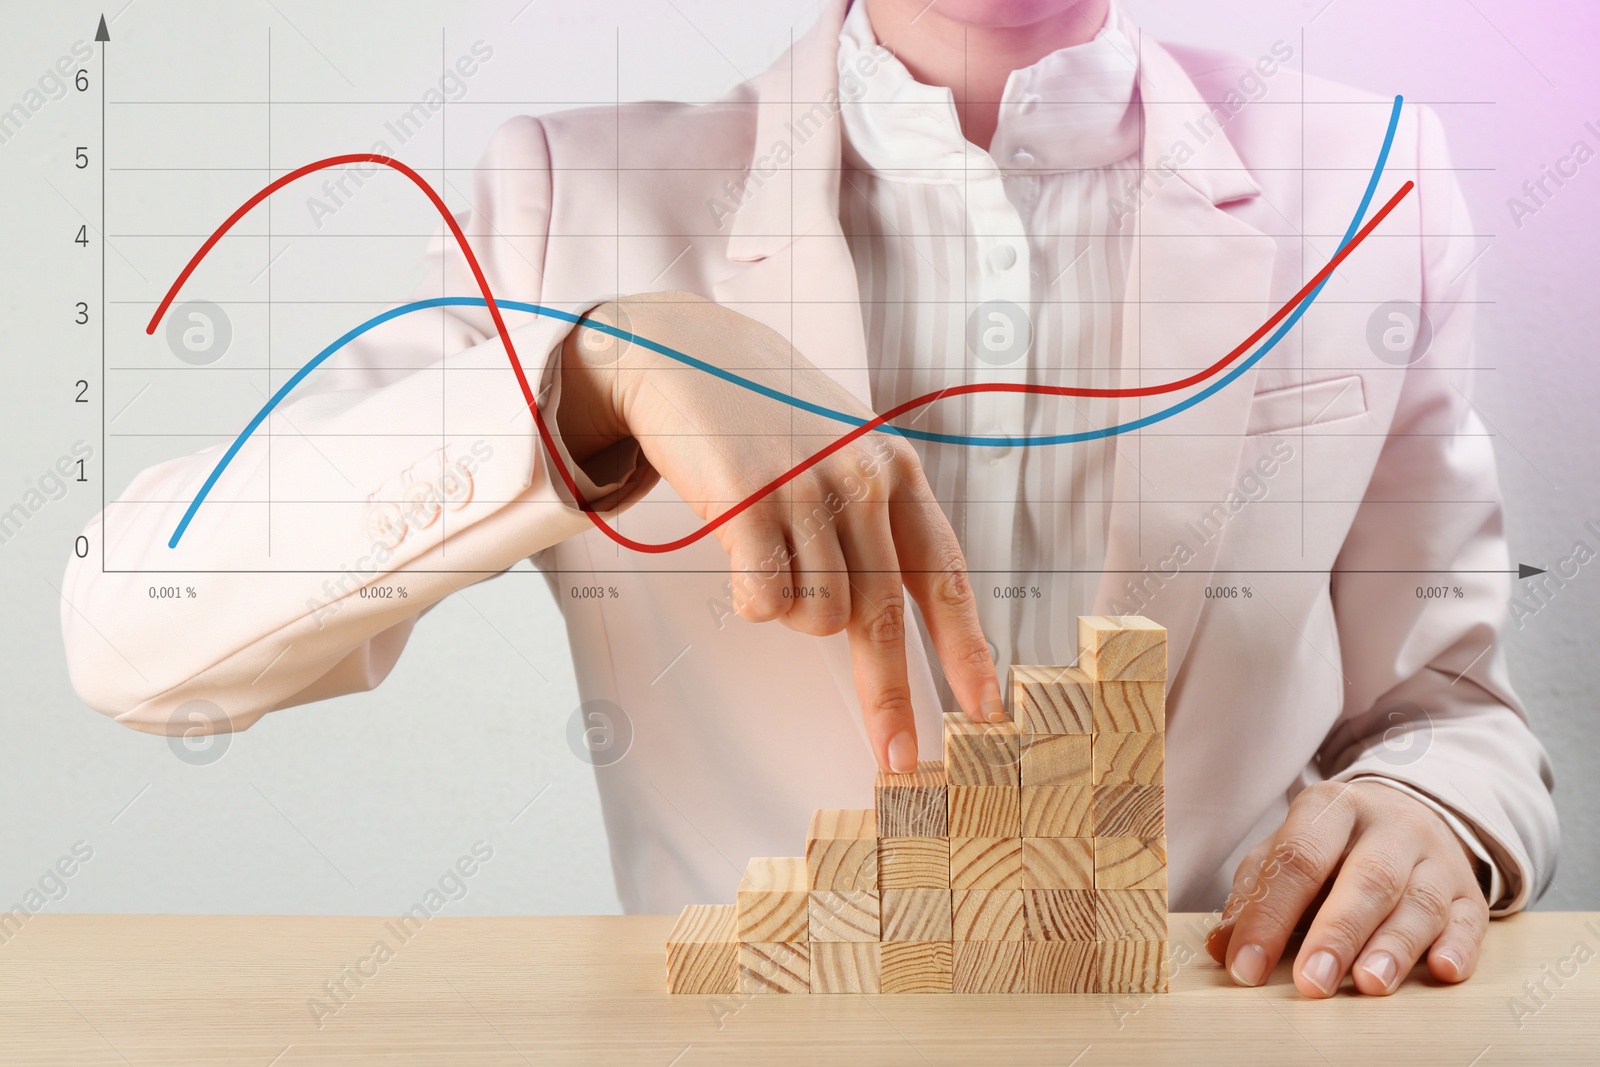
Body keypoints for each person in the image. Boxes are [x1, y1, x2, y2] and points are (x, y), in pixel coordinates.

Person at [61, 0, 1557, 999]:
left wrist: (1428, 813)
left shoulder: (1370, 176)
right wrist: (584, 376)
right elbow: (135, 627)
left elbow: (1453, 717)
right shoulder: (568, 199)